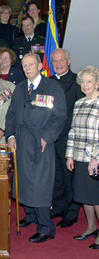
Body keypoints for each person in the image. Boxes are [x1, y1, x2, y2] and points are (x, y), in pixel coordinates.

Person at [5, 53, 67, 243]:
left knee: (40, 185)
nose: (27, 68)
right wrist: (11, 136)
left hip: (41, 142)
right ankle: (30, 216)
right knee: (23, 181)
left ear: (40, 65)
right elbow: (11, 115)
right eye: (24, 65)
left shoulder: (52, 87)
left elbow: (60, 117)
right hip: (22, 142)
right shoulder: (21, 88)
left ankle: (46, 227)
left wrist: (47, 137)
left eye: (31, 64)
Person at [66, 65, 99, 250]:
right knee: (84, 196)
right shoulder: (79, 103)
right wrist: (69, 155)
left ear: (97, 83)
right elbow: (73, 132)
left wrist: (96, 157)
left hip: (95, 159)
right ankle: (91, 227)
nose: (85, 85)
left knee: (95, 197)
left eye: (89, 81)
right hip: (79, 157)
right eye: (83, 82)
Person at [50, 48, 83, 227]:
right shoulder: (48, 82)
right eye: (55, 61)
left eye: (61, 60)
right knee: (56, 175)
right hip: (50, 138)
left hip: (68, 138)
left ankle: (71, 212)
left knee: (70, 176)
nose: (58, 64)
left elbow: (77, 112)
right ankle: (59, 207)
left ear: (68, 61)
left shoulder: (77, 82)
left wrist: (61, 130)